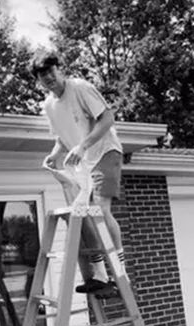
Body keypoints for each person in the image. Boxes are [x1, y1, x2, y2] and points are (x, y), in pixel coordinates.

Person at [32, 49, 126, 294]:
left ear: (59, 70)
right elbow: (62, 140)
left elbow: (107, 119)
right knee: (82, 215)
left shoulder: (79, 88)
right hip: (85, 162)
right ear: (38, 81)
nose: (48, 78)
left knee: (101, 210)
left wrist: (83, 145)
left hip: (105, 152)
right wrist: (54, 155)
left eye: (51, 71)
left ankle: (120, 275)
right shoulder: (49, 106)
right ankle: (100, 275)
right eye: (42, 75)